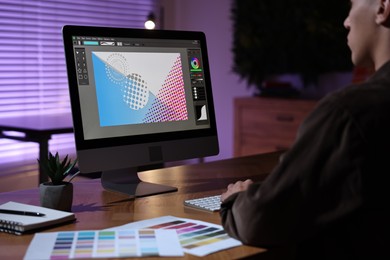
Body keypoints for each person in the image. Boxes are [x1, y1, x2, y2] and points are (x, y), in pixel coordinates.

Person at [220, 0, 390, 259]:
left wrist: (238, 198)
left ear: (382, 8)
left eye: (353, 4)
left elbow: (261, 219)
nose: (346, 21)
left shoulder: (348, 111)